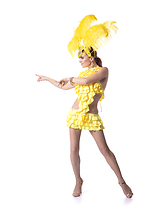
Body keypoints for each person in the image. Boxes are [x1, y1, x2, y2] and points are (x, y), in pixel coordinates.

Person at [36, 15, 133, 198]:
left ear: (92, 56)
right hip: (75, 115)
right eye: (79, 58)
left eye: (82, 57)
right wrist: (47, 78)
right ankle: (78, 181)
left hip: (92, 116)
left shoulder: (103, 71)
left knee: (104, 150)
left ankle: (122, 182)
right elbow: (63, 86)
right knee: (73, 149)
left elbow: (87, 80)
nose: (80, 60)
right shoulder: (79, 75)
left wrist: (71, 78)